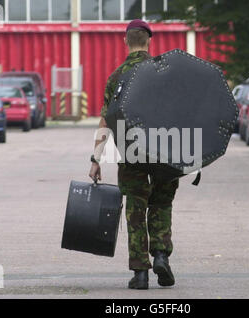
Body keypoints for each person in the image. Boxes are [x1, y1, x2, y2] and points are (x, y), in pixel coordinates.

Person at [89, 19, 179, 290]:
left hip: (132, 152)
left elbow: (106, 121)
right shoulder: (164, 72)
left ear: (125, 41)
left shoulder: (117, 77)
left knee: (136, 210)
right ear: (149, 41)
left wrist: (96, 158)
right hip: (166, 150)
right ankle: (161, 254)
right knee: (161, 204)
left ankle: (140, 273)